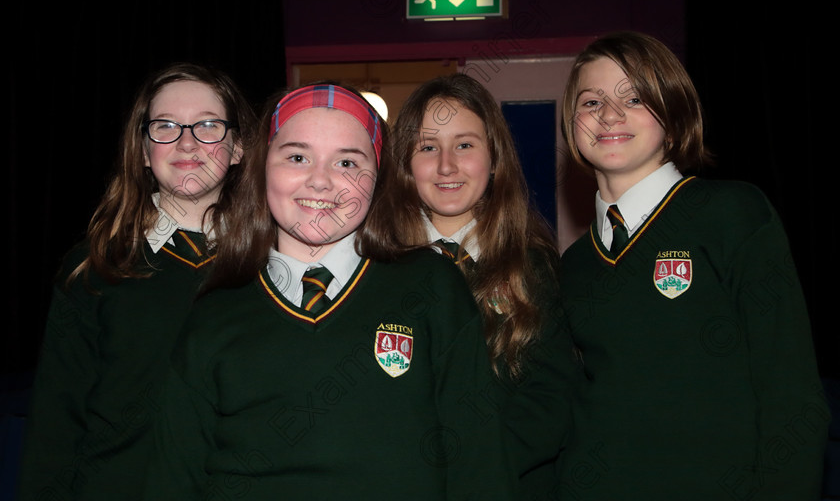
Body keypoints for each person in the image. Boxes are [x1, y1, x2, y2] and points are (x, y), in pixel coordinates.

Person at [142, 82, 515, 500]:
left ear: (378, 178)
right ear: (262, 167)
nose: (320, 181)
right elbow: (172, 479)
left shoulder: (432, 287)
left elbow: (479, 465)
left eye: (347, 163)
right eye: (297, 157)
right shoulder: (214, 312)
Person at [553, 31, 828, 500]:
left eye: (634, 97)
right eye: (591, 101)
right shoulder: (573, 266)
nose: (610, 114)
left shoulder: (733, 215)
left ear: (673, 113)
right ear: (572, 124)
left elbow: (791, 395)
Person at [17, 63, 256, 501]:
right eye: (165, 126)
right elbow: (56, 421)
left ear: (238, 147)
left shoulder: (274, 264)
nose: (187, 141)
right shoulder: (95, 266)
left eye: (208, 125)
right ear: (144, 150)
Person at [378, 73, 580, 499]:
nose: (446, 165)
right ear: (404, 164)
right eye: (428, 147)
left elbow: (551, 399)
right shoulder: (376, 267)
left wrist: (474, 472)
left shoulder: (533, 263)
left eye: (465, 145)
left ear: (494, 158)